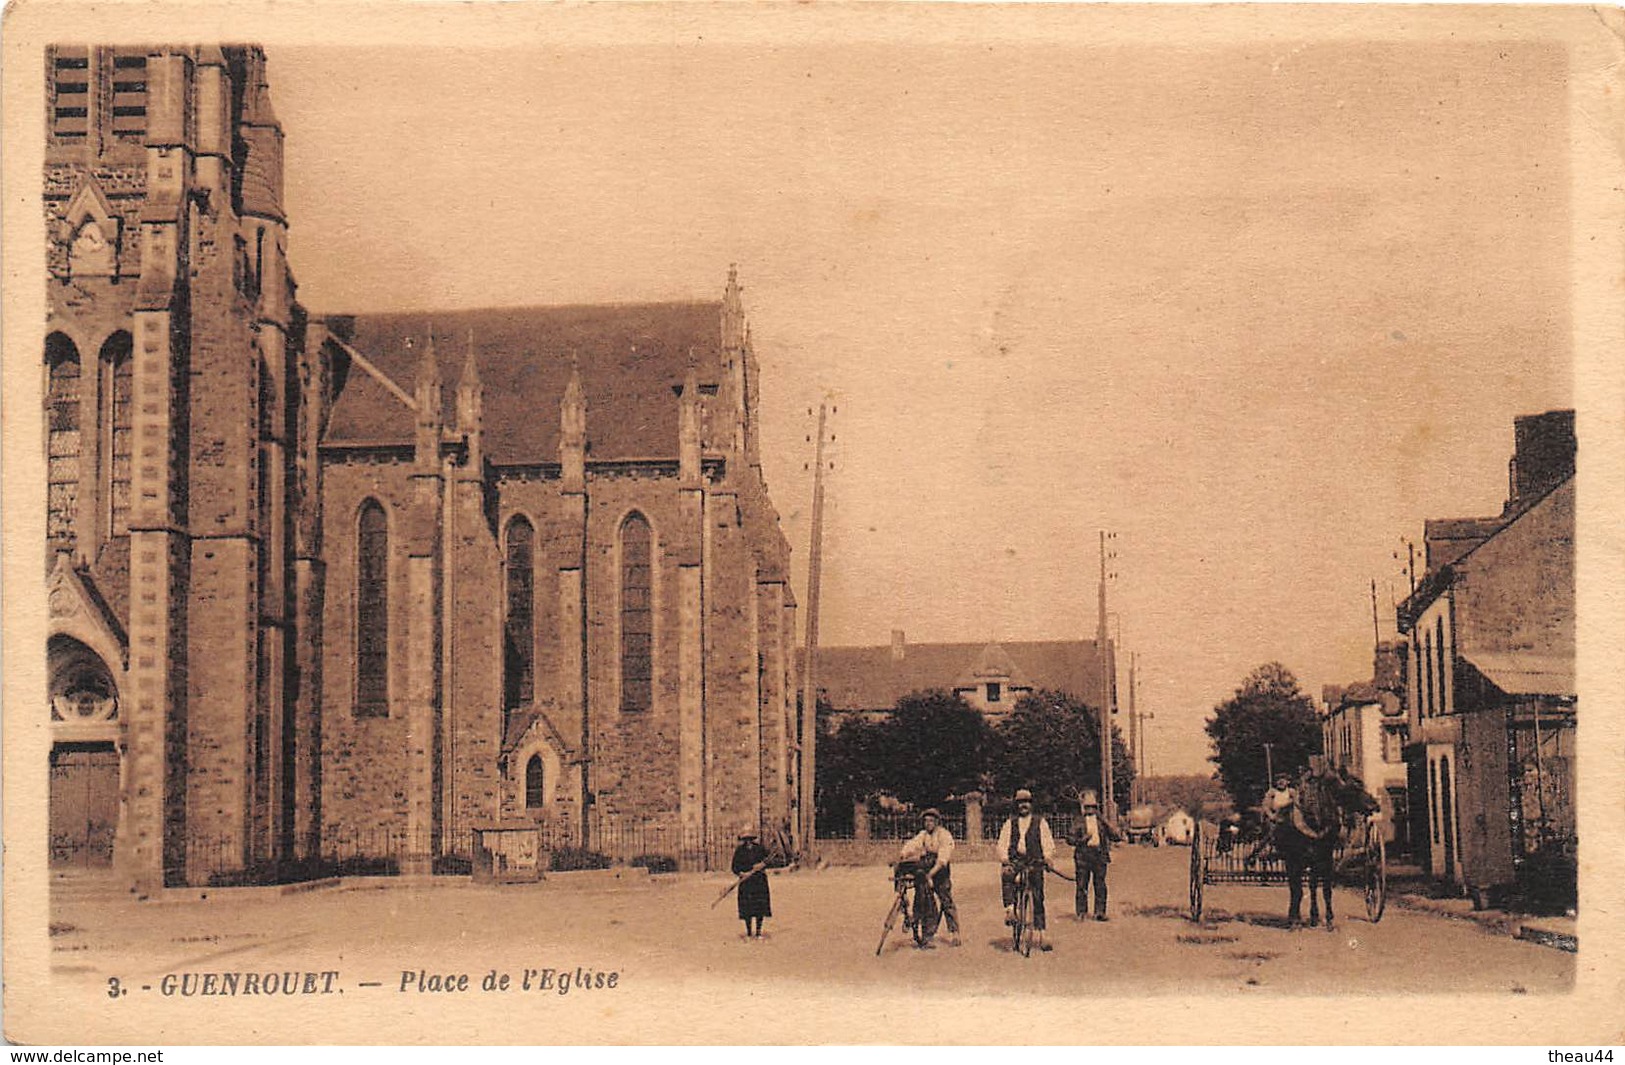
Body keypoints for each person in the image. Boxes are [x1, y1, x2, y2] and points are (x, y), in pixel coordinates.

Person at [1279, 756, 1340, 931]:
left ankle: (1327, 913)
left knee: (1325, 876)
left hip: (1320, 829)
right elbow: (1299, 806)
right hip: (1302, 828)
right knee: (1296, 878)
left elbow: (1329, 807)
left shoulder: (1323, 789)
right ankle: (1295, 915)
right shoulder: (1301, 788)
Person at [996, 788, 1057, 951]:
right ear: (1016, 805)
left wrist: (1048, 857)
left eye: (1026, 802)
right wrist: (1005, 859)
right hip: (1016, 861)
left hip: (1034, 861)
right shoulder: (1010, 823)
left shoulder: (1040, 822)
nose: (1023, 805)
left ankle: (1042, 935)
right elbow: (1002, 844)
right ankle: (1010, 909)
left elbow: (1047, 842)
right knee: (1007, 874)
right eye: (1020, 802)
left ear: (1031, 804)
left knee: (1038, 896)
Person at [898, 807, 960, 946]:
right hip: (927, 865)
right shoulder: (923, 834)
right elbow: (913, 844)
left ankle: (954, 932)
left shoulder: (944, 835)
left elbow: (943, 859)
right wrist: (904, 853)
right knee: (924, 897)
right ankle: (922, 926)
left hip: (940, 869)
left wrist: (930, 875)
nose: (928, 823)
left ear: (937, 822)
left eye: (931, 821)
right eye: (926, 821)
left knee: (946, 900)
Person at [1070, 790, 1123, 921]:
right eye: (1088, 807)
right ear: (1083, 807)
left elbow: (1116, 837)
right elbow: (1069, 839)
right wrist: (1082, 839)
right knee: (1082, 885)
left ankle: (1100, 912)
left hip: (1099, 856)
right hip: (1083, 856)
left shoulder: (1101, 821)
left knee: (1100, 885)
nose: (1090, 810)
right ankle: (1081, 912)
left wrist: (1106, 822)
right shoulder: (1078, 821)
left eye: (1093, 807)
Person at [731, 825, 771, 939]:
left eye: (750, 838)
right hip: (746, 883)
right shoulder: (739, 851)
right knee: (747, 908)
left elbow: (767, 861)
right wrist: (741, 873)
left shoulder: (760, 848)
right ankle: (749, 932)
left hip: (759, 881)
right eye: (745, 839)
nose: (748, 841)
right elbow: (734, 867)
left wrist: (762, 865)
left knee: (759, 906)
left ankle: (758, 932)